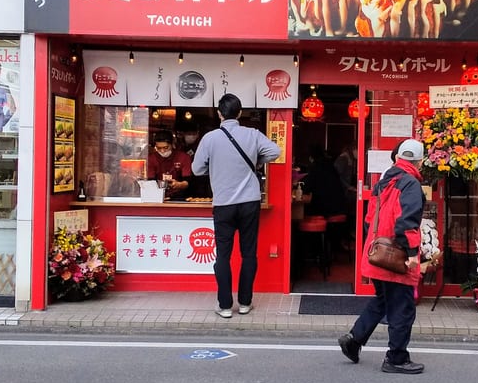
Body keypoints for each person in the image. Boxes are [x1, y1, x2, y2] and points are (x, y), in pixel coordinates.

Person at [338, 138, 427, 374]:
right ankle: (396, 357)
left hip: (377, 253)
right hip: (396, 257)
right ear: (419, 161)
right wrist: (411, 253)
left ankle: (354, 339)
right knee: (402, 308)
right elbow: (407, 222)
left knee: (383, 301)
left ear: (397, 158)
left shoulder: (382, 182)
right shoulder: (410, 184)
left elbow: (369, 220)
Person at [191, 93, 281, 318]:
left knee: (223, 255)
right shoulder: (252, 134)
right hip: (250, 203)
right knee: (248, 253)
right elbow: (275, 151)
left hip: (223, 204)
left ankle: (224, 305)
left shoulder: (210, 138)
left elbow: (196, 170)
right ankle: (244, 303)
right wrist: (257, 161)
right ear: (240, 113)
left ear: (219, 113)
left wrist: (215, 166)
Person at [300, 145, 348, 218]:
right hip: (339, 206)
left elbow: (307, 186)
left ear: (311, 157)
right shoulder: (330, 165)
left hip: (324, 208)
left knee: (304, 212)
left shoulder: (315, 167)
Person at [146, 131, 194, 200]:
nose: (162, 151)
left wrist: (179, 185)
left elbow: (188, 180)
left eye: (165, 147)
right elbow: (150, 182)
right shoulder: (151, 159)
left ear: (172, 144)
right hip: (157, 196)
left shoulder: (183, 157)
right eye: (158, 148)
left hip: (180, 197)